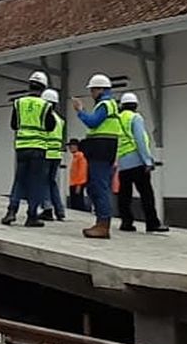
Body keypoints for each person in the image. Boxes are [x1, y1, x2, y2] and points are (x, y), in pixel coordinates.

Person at [1, 71, 56, 227]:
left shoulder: (19, 102)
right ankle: (32, 216)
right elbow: (50, 126)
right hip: (38, 148)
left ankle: (11, 211)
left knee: (19, 180)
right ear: (43, 88)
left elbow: (14, 125)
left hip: (22, 147)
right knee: (36, 182)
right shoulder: (45, 105)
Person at [72, 73, 121, 239]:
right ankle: (101, 222)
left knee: (99, 186)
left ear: (100, 89)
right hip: (105, 148)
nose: (91, 93)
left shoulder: (105, 104)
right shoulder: (110, 104)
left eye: (93, 90)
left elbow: (93, 122)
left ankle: (103, 224)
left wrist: (80, 111)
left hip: (101, 148)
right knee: (97, 185)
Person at [115, 92, 169, 234]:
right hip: (137, 160)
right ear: (136, 105)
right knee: (146, 194)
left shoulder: (118, 119)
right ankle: (152, 223)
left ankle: (126, 222)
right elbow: (140, 140)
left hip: (123, 162)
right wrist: (147, 160)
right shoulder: (135, 117)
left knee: (124, 194)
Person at [39, 89, 67, 222]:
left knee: (43, 182)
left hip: (45, 153)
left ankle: (47, 209)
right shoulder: (60, 120)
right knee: (52, 182)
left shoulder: (44, 118)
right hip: (56, 154)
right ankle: (60, 211)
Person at [67, 139, 90, 211]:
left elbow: (82, 171)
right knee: (74, 203)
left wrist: (79, 185)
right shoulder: (76, 156)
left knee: (77, 204)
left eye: (72, 145)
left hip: (77, 184)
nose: (70, 147)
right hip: (73, 183)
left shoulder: (80, 156)